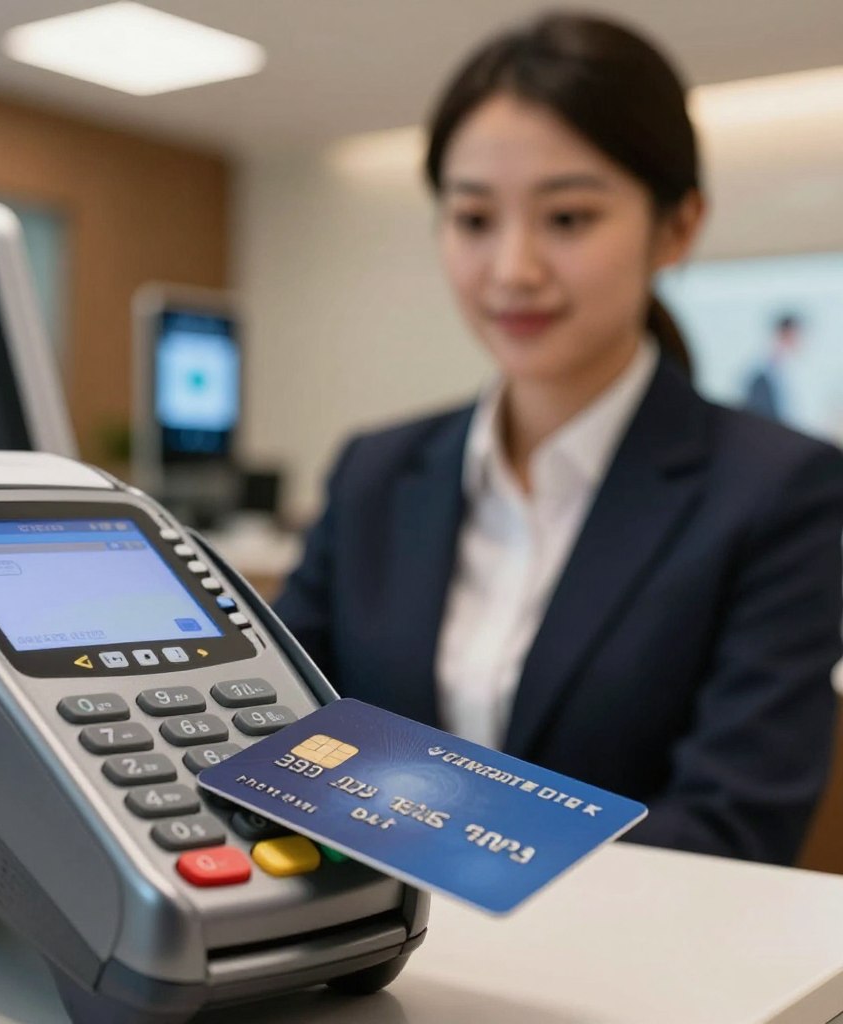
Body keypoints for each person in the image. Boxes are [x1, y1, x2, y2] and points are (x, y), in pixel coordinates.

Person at [273, 12, 843, 865]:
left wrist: (435, 854)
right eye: (474, 219)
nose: (513, 270)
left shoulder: (779, 489)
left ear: (677, 227)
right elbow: (277, 728)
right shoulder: (375, 472)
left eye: (568, 218)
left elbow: (733, 829)